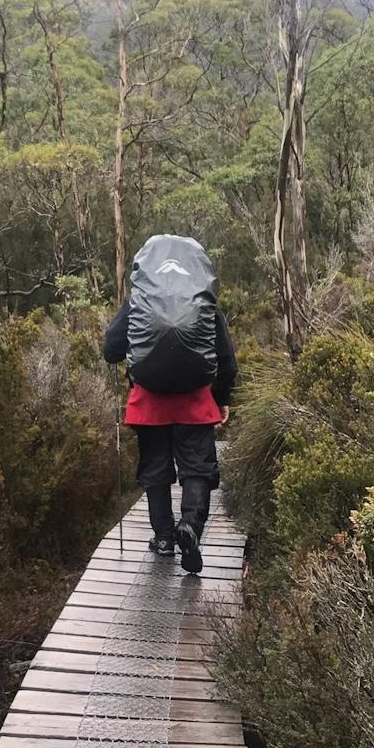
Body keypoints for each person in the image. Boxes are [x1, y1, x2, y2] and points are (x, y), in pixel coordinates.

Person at [102, 246, 236, 575]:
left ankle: (163, 538)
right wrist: (220, 399)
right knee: (197, 469)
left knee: (156, 470)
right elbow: (226, 358)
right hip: (195, 399)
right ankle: (190, 526)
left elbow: (110, 349)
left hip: (149, 401)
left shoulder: (139, 301)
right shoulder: (203, 301)